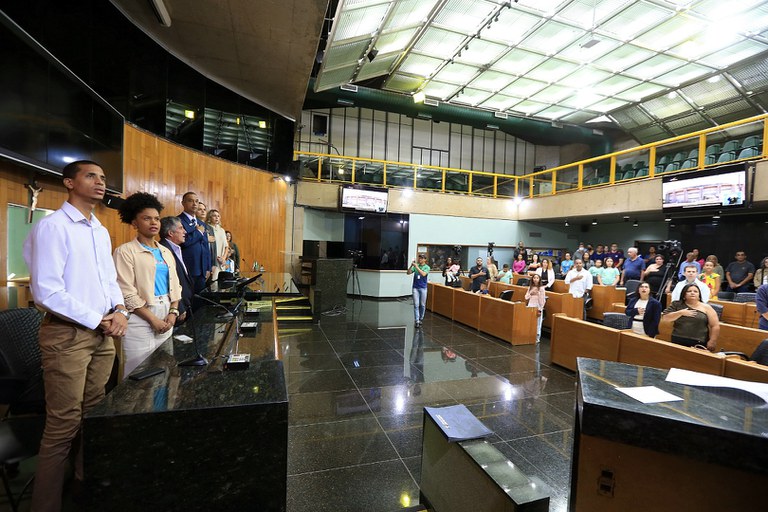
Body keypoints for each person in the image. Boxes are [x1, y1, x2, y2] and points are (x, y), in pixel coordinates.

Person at [23, 160, 128, 511]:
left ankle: (85, 487)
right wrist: (99, 319)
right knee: (63, 423)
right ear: (69, 182)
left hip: (102, 333)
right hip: (68, 335)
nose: (100, 182)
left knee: (93, 414)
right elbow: (47, 292)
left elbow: (109, 280)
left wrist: (120, 310)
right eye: (91, 176)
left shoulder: (99, 229)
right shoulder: (53, 227)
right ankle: (46, 505)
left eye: (103, 177)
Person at [113, 193, 182, 377]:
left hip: (166, 314)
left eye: (157, 219)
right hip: (140, 317)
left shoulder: (166, 251)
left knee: (163, 370)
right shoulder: (125, 251)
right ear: (134, 223)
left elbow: (176, 286)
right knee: (138, 373)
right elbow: (126, 292)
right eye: (147, 218)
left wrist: (173, 312)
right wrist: (153, 320)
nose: (154, 223)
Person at [661, 283, 720, 351]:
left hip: (699, 341)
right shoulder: (676, 304)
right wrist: (680, 313)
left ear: (699, 295)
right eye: (689, 291)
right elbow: (665, 318)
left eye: (695, 291)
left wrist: (712, 340)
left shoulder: (707, 307)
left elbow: (715, 326)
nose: (692, 293)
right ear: (684, 294)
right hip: (678, 338)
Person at [160, 216, 193, 323]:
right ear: (171, 233)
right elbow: (167, 281)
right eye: (181, 228)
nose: (185, 231)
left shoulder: (176, 248)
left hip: (184, 304)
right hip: (175, 309)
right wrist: (179, 306)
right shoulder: (163, 250)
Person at [178, 192, 213, 294]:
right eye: (190, 201)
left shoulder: (201, 223)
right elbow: (183, 242)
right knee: (187, 299)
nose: (194, 204)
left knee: (200, 300)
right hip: (188, 268)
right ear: (183, 203)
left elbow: (206, 246)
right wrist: (198, 232)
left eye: (196, 201)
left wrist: (208, 267)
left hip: (202, 270)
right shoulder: (178, 221)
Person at [206, 208, 229, 280]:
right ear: (210, 217)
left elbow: (226, 246)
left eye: (218, 216)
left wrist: (223, 258)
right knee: (213, 281)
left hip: (221, 261)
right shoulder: (207, 229)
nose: (217, 218)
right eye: (214, 216)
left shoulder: (222, 230)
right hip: (213, 260)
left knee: (221, 282)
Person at [407, 253, 430, 327]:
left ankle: (421, 318)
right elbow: (408, 273)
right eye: (419, 258)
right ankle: (417, 320)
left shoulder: (427, 267)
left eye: (422, 258)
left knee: (422, 305)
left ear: (425, 260)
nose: (420, 259)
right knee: (416, 305)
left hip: (423, 288)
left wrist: (417, 267)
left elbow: (423, 274)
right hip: (415, 288)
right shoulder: (416, 266)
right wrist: (411, 266)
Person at [525, 273, 546, 343]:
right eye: (534, 278)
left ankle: (537, 337)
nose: (535, 279)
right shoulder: (530, 287)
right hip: (531, 305)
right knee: (530, 321)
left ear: (539, 279)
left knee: (538, 323)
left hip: (537, 306)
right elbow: (526, 297)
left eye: (537, 278)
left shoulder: (541, 288)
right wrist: (531, 293)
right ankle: (529, 335)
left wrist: (540, 310)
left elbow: (542, 300)